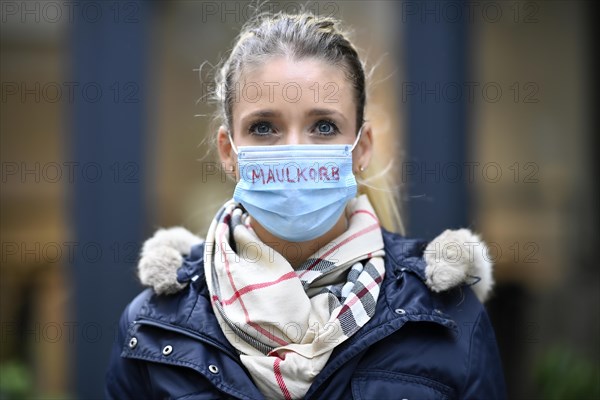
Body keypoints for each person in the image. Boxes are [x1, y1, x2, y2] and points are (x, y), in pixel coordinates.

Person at [105, 10, 506, 400]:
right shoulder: (153, 327)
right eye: (264, 127)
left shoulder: (448, 317)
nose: (295, 150)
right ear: (229, 153)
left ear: (360, 149)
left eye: (324, 126)